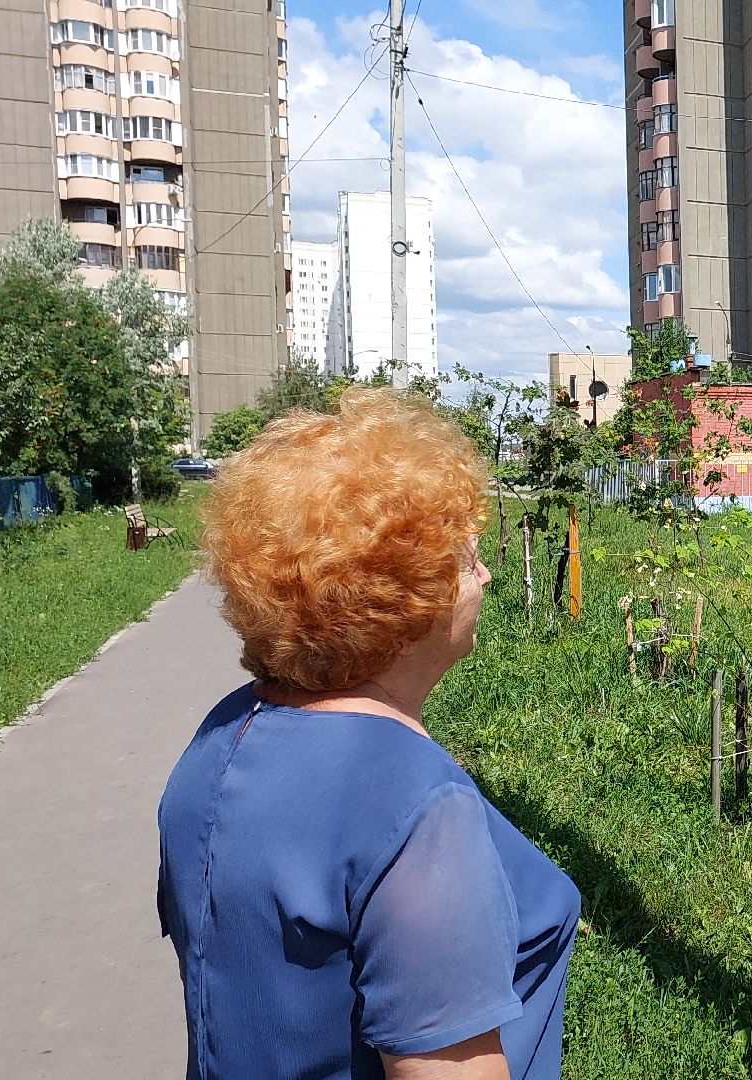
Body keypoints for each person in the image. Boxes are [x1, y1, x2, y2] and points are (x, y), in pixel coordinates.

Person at [158, 390, 580, 1080]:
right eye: (466, 560)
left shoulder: (224, 733)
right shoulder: (414, 802)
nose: (485, 575)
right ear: (405, 598)